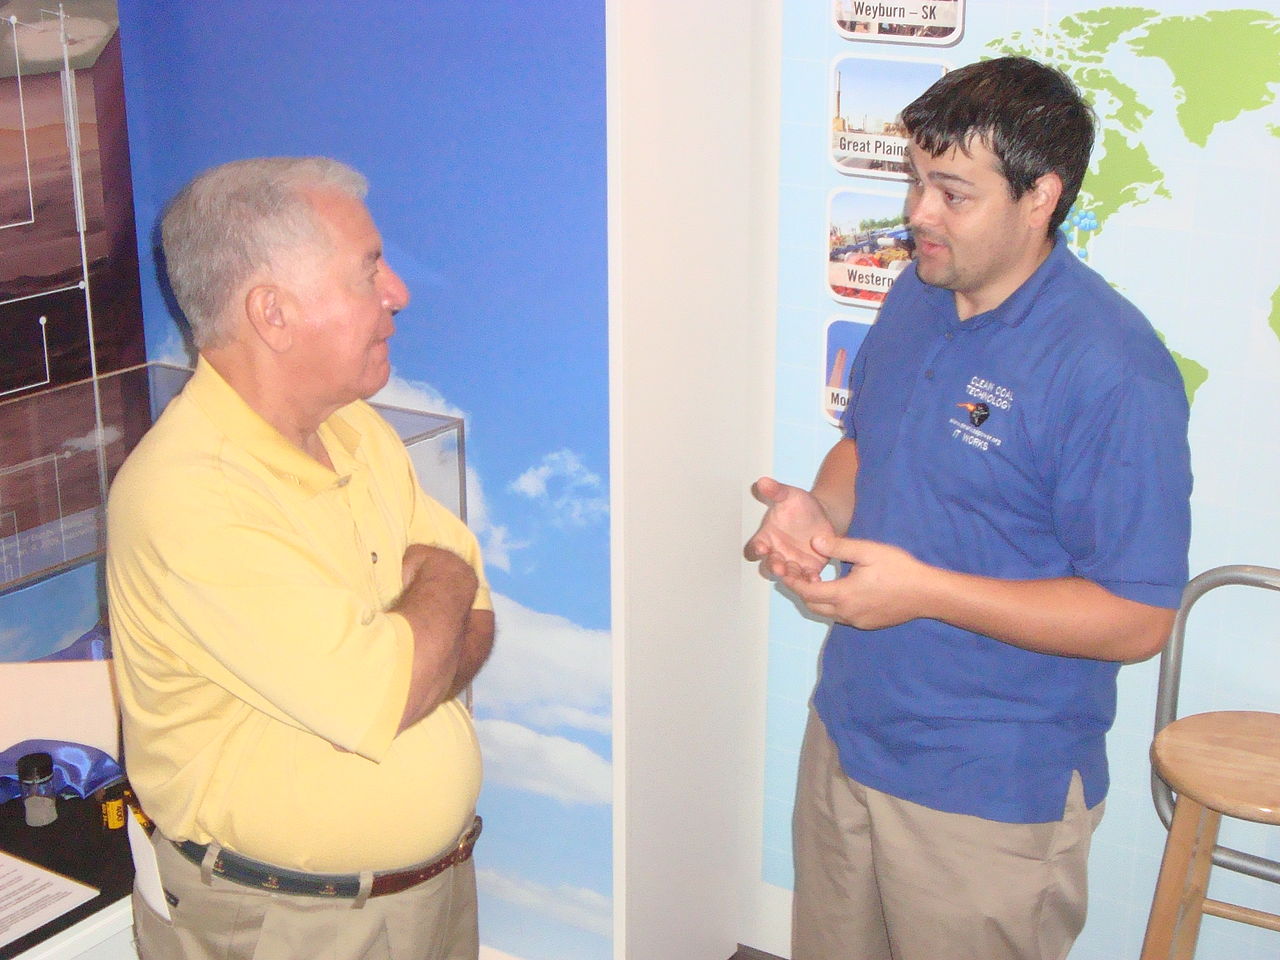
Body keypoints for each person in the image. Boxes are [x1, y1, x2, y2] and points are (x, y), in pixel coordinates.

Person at [747, 57, 1192, 960]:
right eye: (916, 181)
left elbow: (1139, 618)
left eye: (952, 193)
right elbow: (865, 446)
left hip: (989, 793)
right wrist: (817, 512)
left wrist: (925, 593)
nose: (919, 214)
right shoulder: (918, 292)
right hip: (848, 732)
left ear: (1040, 198)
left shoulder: (1113, 370)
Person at [107, 157, 493, 960]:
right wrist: (445, 582)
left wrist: (425, 639)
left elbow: (473, 629)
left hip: (430, 895)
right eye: (367, 271)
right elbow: (402, 679)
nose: (397, 293)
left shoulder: (355, 429)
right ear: (272, 313)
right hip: (290, 925)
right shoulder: (194, 495)